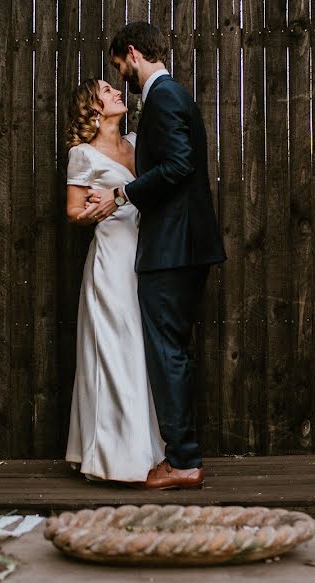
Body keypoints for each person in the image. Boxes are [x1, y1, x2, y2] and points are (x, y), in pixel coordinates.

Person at [84, 22, 226, 490]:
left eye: (119, 66)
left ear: (132, 54)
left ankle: (183, 461)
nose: (120, 74)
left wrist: (123, 194)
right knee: (175, 351)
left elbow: (180, 164)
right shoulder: (174, 95)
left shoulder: (163, 98)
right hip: (186, 244)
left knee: (167, 353)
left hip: (172, 248)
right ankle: (183, 454)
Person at [63, 78, 165, 484]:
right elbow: (72, 211)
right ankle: (111, 456)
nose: (117, 93)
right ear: (93, 109)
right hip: (110, 259)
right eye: (107, 92)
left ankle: (142, 448)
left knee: (139, 347)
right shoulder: (82, 154)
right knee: (114, 348)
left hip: (145, 254)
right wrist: (95, 211)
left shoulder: (138, 143)